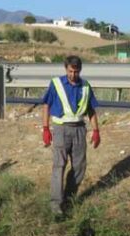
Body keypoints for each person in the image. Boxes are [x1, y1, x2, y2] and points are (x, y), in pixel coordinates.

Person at [41, 55, 101, 217]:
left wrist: (96, 131)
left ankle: (68, 199)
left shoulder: (86, 86)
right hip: (61, 129)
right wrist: (45, 128)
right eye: (70, 71)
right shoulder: (56, 84)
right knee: (59, 166)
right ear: (65, 69)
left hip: (80, 129)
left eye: (76, 71)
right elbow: (46, 105)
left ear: (80, 70)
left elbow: (91, 110)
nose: (73, 74)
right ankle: (56, 205)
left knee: (80, 166)